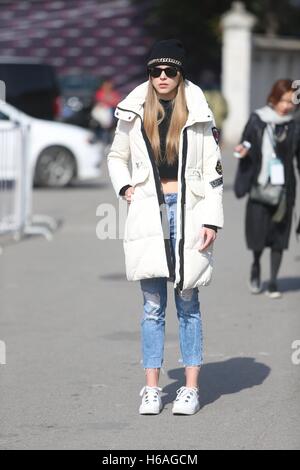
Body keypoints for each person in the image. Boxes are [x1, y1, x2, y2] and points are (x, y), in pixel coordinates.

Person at [107, 39, 224, 415]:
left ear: (180, 73)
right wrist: (124, 185)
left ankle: (190, 389)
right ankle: (152, 389)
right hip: (148, 211)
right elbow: (116, 156)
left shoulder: (199, 113)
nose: (161, 77)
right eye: (155, 71)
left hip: (188, 211)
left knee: (188, 301)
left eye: (169, 71)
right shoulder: (134, 110)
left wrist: (212, 219)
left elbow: (213, 173)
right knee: (152, 306)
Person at [234, 79, 300, 299]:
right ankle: (255, 266)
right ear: (273, 98)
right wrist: (243, 150)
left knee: (279, 236)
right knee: (258, 235)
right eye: (283, 100)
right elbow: (246, 143)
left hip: (284, 189)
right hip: (259, 186)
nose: (287, 106)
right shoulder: (258, 120)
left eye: (291, 101)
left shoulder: (295, 125)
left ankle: (273, 281)